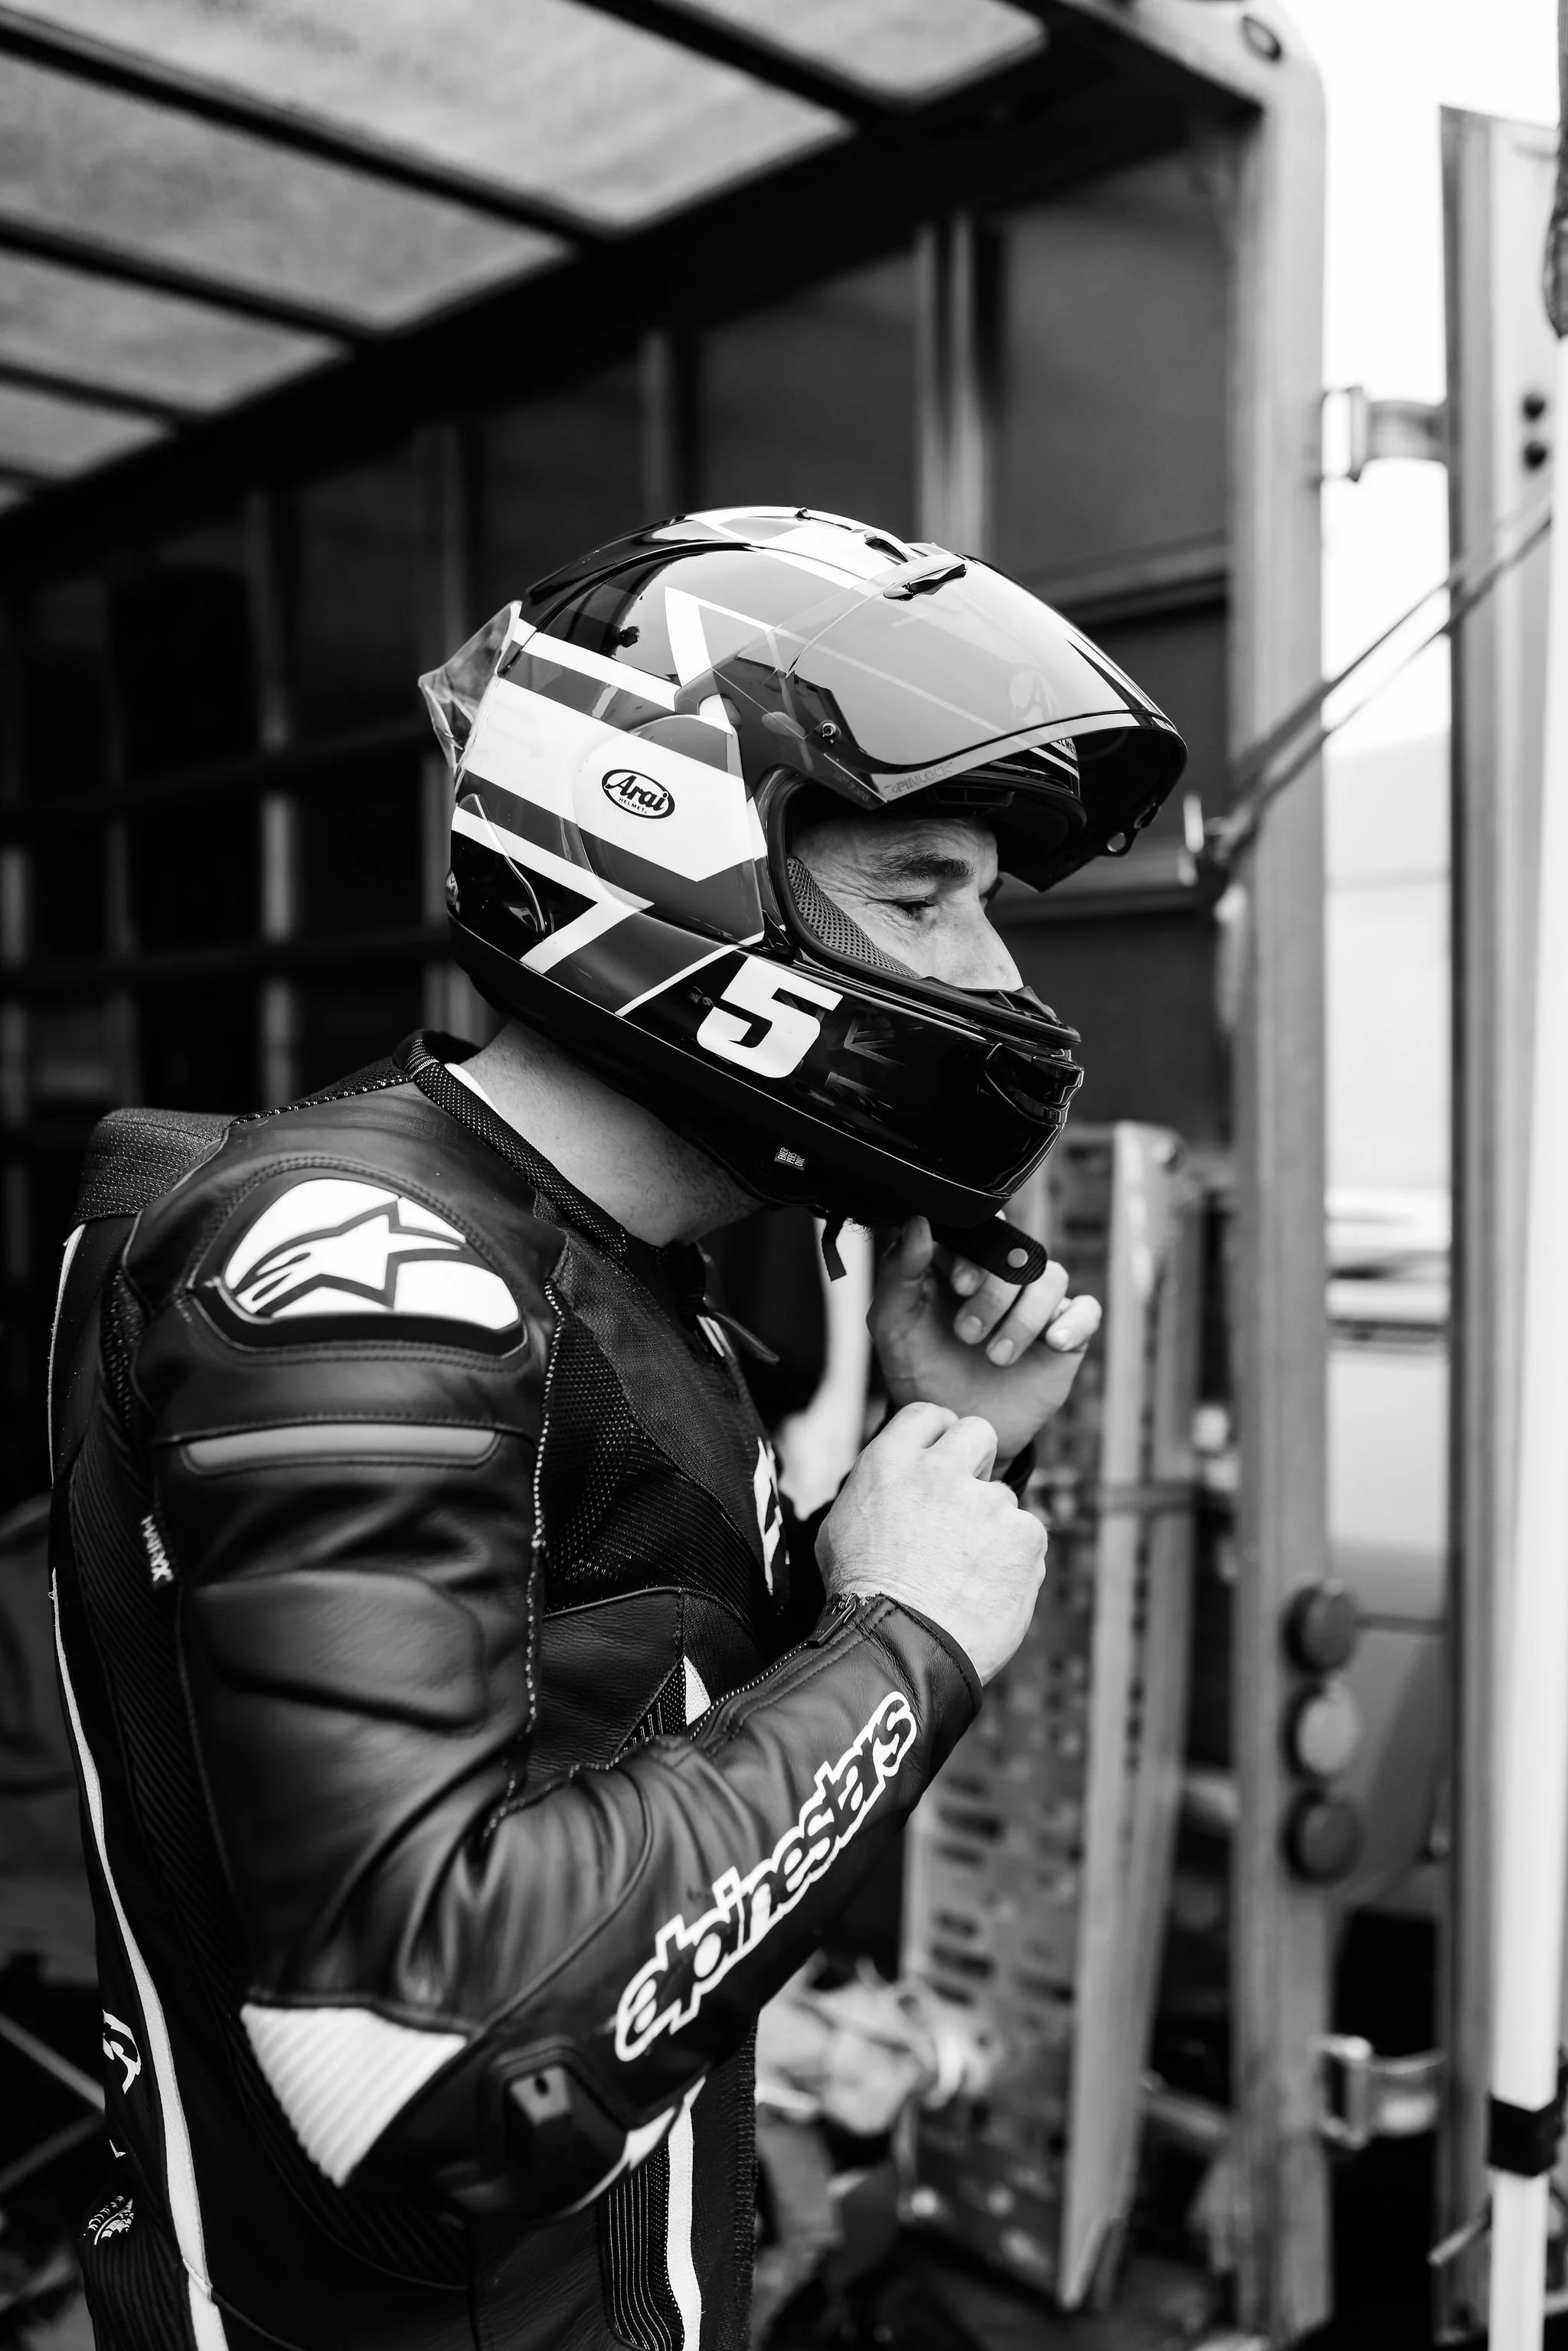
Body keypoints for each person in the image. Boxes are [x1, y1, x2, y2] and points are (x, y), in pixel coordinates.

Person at [51, 508, 1185, 2351]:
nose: (997, 978)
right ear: (663, 859)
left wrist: (932, 1457)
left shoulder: (612, 1274)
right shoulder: (362, 1269)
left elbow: (651, 1798)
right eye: (919, 892)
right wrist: (902, 1644)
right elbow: (412, 2062)